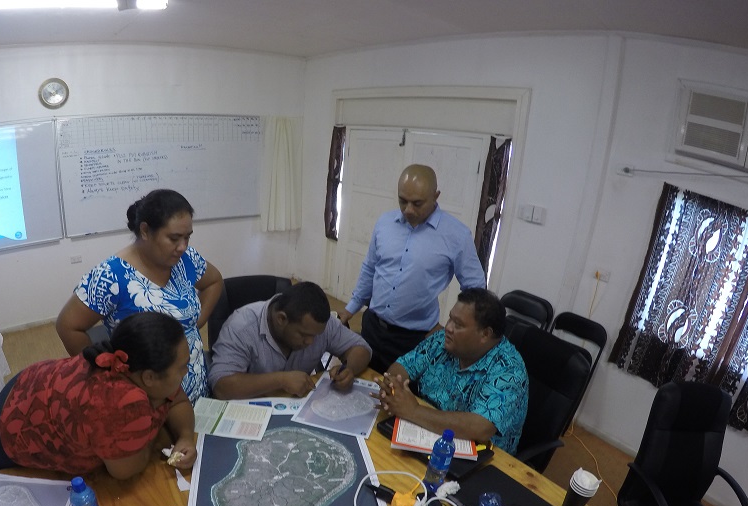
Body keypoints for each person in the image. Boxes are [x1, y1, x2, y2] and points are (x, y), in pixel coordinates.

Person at [55, 189, 223, 402]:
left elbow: (214, 281)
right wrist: (101, 372)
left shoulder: (186, 258)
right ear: (145, 231)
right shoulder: (111, 275)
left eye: (187, 237)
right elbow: (68, 325)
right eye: (173, 238)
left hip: (196, 387)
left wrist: (195, 323)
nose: (182, 246)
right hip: (147, 400)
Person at [0, 312, 197, 478]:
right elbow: (125, 471)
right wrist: (155, 420)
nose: (186, 372)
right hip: (11, 431)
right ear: (150, 378)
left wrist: (185, 436)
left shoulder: (132, 363)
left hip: (29, 386)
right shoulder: (121, 405)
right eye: (182, 367)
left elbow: (177, 400)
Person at [337, 164, 487, 373]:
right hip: (372, 326)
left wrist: (453, 325)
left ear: (436, 196)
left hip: (413, 339)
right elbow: (370, 268)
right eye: (402, 201)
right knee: (362, 385)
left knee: (399, 397)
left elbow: (476, 290)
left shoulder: (456, 235)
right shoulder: (384, 223)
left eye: (417, 203)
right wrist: (351, 308)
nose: (408, 210)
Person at [376, 287, 527, 453]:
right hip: (425, 430)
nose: (448, 327)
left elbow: (480, 427)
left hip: (479, 456)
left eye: (458, 324)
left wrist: (414, 411)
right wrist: (393, 389)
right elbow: (402, 366)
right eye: (450, 319)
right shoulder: (443, 340)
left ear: (485, 334)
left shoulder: (509, 370)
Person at [209, 281, 372, 399]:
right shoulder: (241, 327)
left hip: (298, 408)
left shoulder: (318, 326)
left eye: (315, 336)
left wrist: (348, 368)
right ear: (281, 319)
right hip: (251, 413)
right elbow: (221, 386)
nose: (311, 341)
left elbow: (361, 348)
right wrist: (281, 380)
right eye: (303, 335)